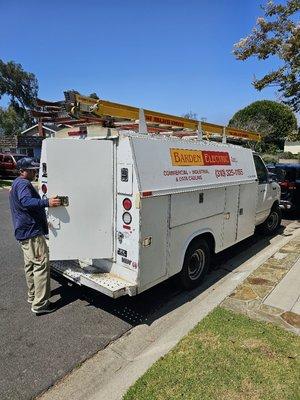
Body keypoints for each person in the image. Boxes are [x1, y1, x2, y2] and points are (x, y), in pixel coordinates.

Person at [9, 157, 61, 314]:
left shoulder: (16, 183)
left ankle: (33, 295)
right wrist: (47, 203)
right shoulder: (24, 184)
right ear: (22, 171)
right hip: (31, 232)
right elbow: (26, 201)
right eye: (31, 170)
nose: (34, 172)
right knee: (41, 266)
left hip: (23, 231)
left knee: (31, 265)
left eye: (35, 169)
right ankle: (40, 305)